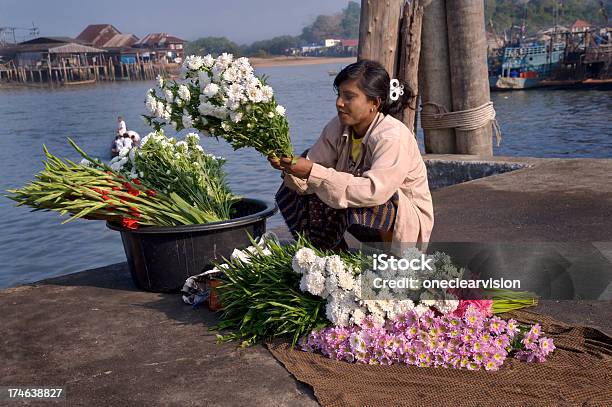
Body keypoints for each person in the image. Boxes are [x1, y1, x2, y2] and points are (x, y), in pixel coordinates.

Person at [269, 59, 433, 251]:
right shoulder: (337, 127)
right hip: (365, 208)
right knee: (294, 188)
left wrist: (313, 171)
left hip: (406, 222)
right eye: (339, 95)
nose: (339, 103)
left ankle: (394, 264)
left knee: (366, 195)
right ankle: (325, 256)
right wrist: (291, 168)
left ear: (374, 102)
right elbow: (314, 164)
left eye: (349, 97)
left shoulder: (391, 136)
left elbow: (375, 191)